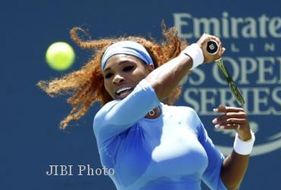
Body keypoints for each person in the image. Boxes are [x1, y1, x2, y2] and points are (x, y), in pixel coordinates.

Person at [38, 25, 255, 190]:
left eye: (128, 68)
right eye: (108, 75)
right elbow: (150, 91)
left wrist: (244, 139)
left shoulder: (186, 117)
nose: (117, 79)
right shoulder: (107, 120)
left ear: (150, 68)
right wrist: (194, 54)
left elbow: (224, 182)